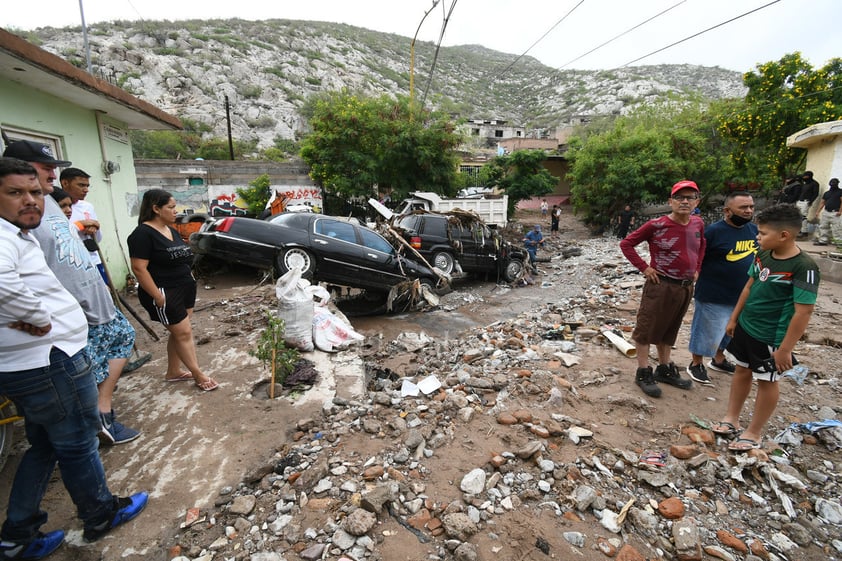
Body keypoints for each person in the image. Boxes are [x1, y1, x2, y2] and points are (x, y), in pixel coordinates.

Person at [0, 157, 147, 558]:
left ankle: (17, 534)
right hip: (50, 363)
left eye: (34, 192)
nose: (30, 200)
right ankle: (99, 513)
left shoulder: (18, 234)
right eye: (15, 193)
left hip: (40, 361)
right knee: (78, 441)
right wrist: (38, 317)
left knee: (45, 445)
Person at [3, 140, 140, 445]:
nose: (52, 174)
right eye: (45, 168)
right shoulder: (19, 214)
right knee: (82, 375)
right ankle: (96, 422)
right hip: (69, 311)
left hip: (95, 296)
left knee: (122, 338)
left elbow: (67, 246)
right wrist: (41, 315)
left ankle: (100, 412)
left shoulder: (49, 202)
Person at [712, 204, 820, 452]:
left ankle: (754, 431)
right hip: (747, 327)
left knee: (767, 381)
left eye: (762, 233)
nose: (757, 237)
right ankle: (731, 417)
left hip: (772, 335)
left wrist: (785, 349)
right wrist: (734, 318)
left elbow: (804, 311)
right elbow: (749, 287)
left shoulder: (804, 267)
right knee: (741, 370)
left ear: (784, 235)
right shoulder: (764, 255)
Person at [620, 180, 706, 397]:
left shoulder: (697, 223)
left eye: (690, 197)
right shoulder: (656, 225)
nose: (684, 201)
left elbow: (702, 245)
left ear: (697, 201)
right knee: (646, 328)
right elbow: (626, 244)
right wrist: (645, 268)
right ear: (670, 201)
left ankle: (664, 369)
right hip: (661, 285)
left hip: (685, 287)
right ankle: (643, 371)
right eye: (679, 197)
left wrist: (697, 268)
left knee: (670, 328)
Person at [128, 189, 218, 391]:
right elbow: (139, 269)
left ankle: (173, 371)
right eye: (170, 207)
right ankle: (198, 374)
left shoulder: (171, 230)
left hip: (184, 288)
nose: (175, 211)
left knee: (180, 332)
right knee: (184, 333)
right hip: (164, 291)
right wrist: (157, 296)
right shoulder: (142, 234)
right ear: (156, 209)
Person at [686, 191, 757, 386]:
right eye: (743, 207)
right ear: (727, 210)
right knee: (706, 330)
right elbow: (696, 258)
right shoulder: (713, 232)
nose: (748, 211)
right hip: (713, 293)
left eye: (751, 207)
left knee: (729, 331)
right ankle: (696, 364)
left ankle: (718, 360)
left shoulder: (753, 231)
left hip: (741, 294)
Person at [60, 167, 106, 284]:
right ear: (65, 183)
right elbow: (61, 237)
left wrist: (95, 227)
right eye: (81, 185)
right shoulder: (56, 207)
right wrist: (80, 225)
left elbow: (98, 239)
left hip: (93, 260)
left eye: (87, 186)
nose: (86, 190)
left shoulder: (87, 206)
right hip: (74, 264)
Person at [814, 178, 842, 246]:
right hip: (826, 212)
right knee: (823, 227)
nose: (833, 185)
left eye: (834, 183)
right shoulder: (827, 193)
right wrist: (818, 211)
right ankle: (823, 241)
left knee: (837, 228)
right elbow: (822, 202)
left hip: (835, 212)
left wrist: (840, 211)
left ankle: (839, 242)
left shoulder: (840, 192)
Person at [797, 171, 820, 238]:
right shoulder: (805, 184)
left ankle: (804, 231)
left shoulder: (815, 184)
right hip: (800, 201)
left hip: (806, 201)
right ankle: (799, 230)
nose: (803, 177)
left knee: (803, 217)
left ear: (809, 176)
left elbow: (816, 194)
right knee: (798, 216)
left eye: (805, 176)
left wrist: (810, 201)